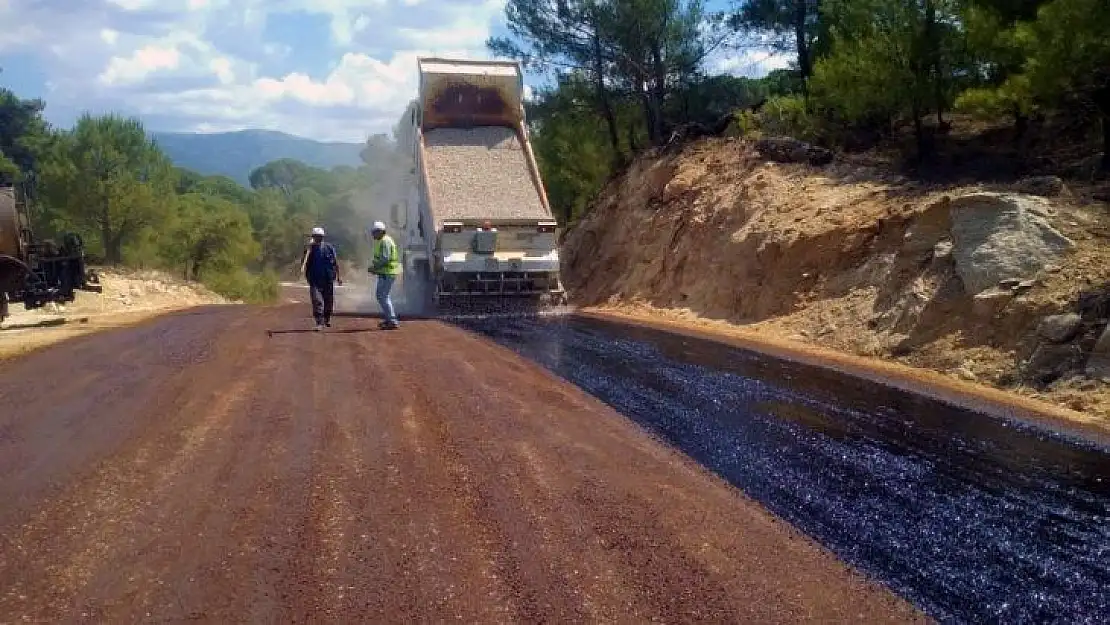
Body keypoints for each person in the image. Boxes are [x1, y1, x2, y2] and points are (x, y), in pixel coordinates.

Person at [303, 226, 341, 331]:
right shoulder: (310, 249)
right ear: (313, 237)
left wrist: (338, 277)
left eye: (320, 237)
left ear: (323, 237)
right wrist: (307, 250)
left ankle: (327, 319)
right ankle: (319, 322)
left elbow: (336, 262)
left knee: (328, 301)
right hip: (314, 279)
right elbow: (304, 264)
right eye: (315, 236)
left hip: (328, 279)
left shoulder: (329, 248)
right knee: (317, 301)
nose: (318, 238)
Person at [368, 220, 401, 329]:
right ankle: (389, 319)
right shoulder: (383, 240)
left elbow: (385, 258)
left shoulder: (385, 241)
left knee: (383, 296)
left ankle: (392, 320)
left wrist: (375, 267)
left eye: (374, 232)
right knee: (381, 296)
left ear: (380, 232)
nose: (373, 234)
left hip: (388, 273)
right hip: (385, 273)